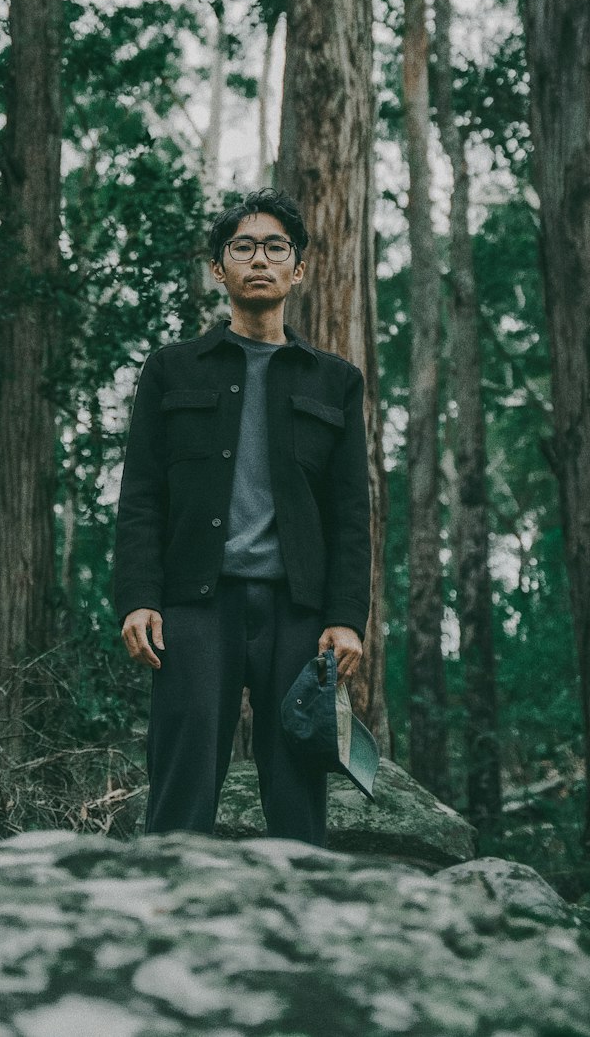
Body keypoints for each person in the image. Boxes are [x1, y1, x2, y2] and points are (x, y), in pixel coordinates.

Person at [113, 187, 371, 845]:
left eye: (275, 247)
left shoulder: (332, 380)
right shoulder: (172, 369)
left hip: (298, 611)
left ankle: (294, 932)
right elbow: (141, 490)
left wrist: (345, 618)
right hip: (195, 605)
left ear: (299, 268)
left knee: (295, 782)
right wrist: (139, 597)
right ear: (219, 269)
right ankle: (165, 916)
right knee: (184, 771)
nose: (260, 259)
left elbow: (348, 512)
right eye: (243, 247)